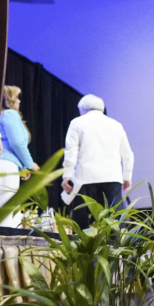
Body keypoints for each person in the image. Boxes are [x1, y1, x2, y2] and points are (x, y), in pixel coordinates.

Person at [61, 94, 134, 229]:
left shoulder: (77, 122)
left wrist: (67, 175)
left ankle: (80, 249)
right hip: (112, 177)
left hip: (86, 177)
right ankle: (115, 249)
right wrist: (126, 177)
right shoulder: (116, 125)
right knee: (114, 222)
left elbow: (71, 150)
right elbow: (128, 154)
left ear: (84, 108)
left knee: (81, 222)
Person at [0, 86, 40, 225]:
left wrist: (21, 167)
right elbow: (16, 143)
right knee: (7, 212)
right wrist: (30, 164)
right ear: (9, 100)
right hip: (5, 165)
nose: (20, 101)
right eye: (17, 97)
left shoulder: (2, 115)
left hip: (4, 163)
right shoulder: (10, 114)